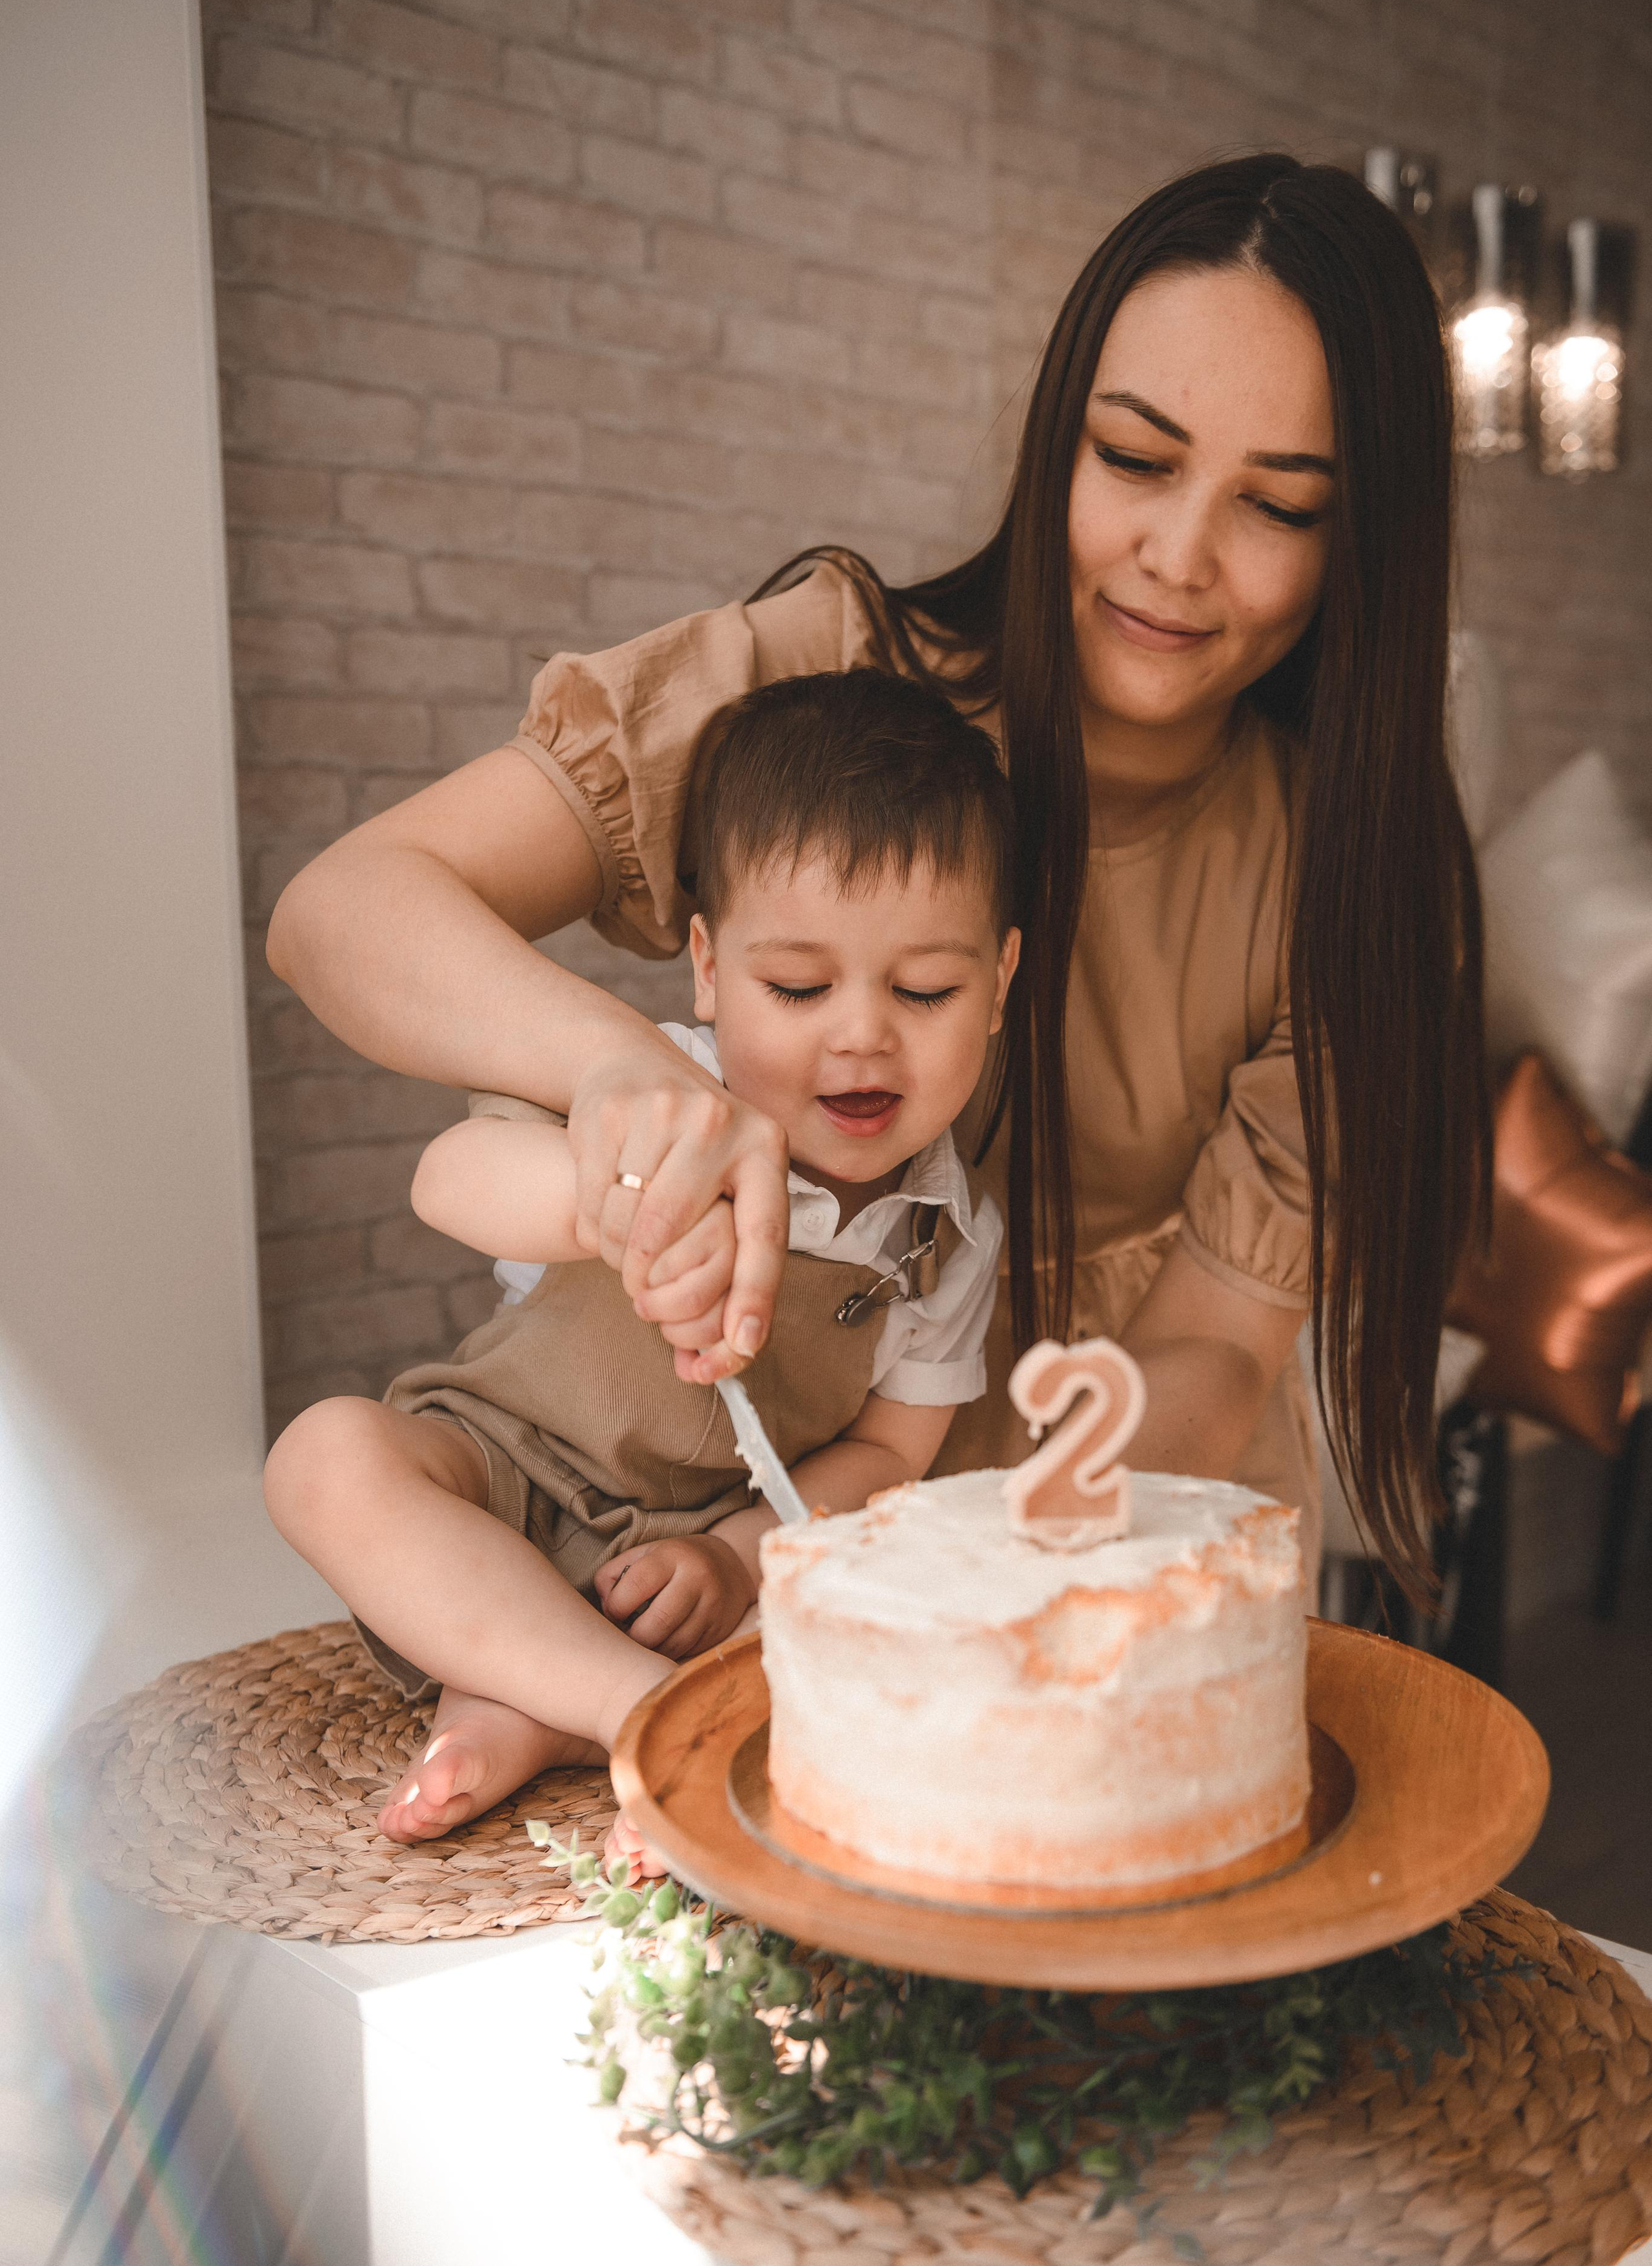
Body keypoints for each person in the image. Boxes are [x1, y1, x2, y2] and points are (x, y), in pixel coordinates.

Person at [268, 152, 1486, 1601]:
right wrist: (614, 1068)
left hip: (1106, 1520)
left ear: (1361, 543)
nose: (1177, 557)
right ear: (1057, 444)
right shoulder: (836, 678)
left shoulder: (1344, 885)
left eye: (1276, 507)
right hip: (752, 1518)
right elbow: (342, 913)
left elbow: (1213, 1353)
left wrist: (971, 1540)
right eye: (1135, 460)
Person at [263, 672, 1017, 1843]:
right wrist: (607, 1210)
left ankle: (529, 1703)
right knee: (322, 1457)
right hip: (499, 1483)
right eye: (799, 986)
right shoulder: (658, 1091)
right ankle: (637, 1712)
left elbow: (885, 1457)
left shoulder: (946, 1234)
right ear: (711, 969)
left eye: (925, 989)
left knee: (894, 1604)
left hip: (702, 1568)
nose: (861, 1032)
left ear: (1002, 984)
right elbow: (446, 1178)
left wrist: (736, 1555)